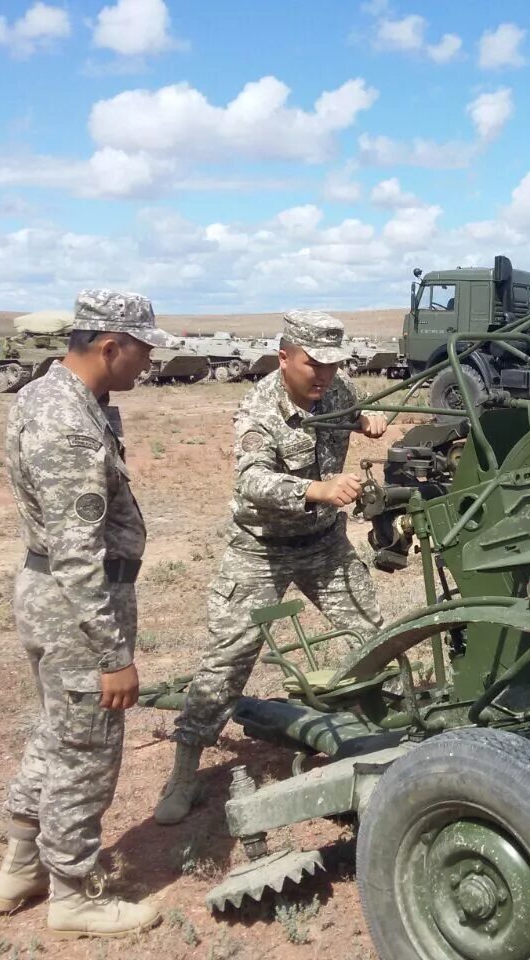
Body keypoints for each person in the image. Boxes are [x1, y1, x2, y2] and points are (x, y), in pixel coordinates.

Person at [0, 289, 175, 938]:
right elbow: (77, 555)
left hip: (50, 599)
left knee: (56, 734)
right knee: (86, 754)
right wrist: (113, 655)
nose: (147, 364)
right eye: (142, 352)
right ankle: (74, 892)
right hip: (78, 609)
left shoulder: (50, 395)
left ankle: (22, 864)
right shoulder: (68, 425)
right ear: (109, 346)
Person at [154, 310, 387, 825]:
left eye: (333, 364)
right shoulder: (258, 409)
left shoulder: (338, 391)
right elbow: (251, 480)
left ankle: (386, 731)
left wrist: (366, 420)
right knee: (229, 656)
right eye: (313, 365)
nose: (324, 375)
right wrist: (315, 489)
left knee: (373, 634)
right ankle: (185, 772)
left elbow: (353, 414)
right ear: (284, 357)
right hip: (260, 549)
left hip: (324, 542)